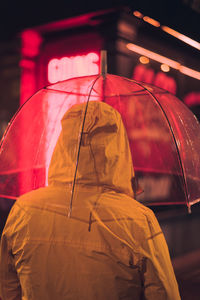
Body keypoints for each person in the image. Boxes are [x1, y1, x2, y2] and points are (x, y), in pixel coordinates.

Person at [0, 101, 181, 300]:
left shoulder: (23, 210)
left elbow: (8, 290)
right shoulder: (138, 220)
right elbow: (164, 294)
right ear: (117, 147)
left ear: (63, 143)